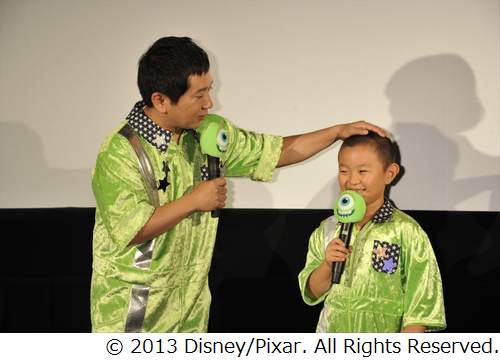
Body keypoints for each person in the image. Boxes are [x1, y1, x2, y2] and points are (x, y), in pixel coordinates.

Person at [91, 36, 386, 332]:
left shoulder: (206, 133)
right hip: (135, 313)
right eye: (198, 95)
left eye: (210, 90)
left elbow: (273, 152)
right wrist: (194, 201)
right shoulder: (120, 152)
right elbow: (131, 228)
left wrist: (336, 132)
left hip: (190, 310)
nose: (209, 103)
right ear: (161, 100)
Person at [298, 131, 446, 332]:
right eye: (344, 171)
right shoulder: (328, 229)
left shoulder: (406, 231)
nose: (352, 180)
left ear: (390, 173)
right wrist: (326, 264)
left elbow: (420, 305)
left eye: (362, 171)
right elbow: (312, 292)